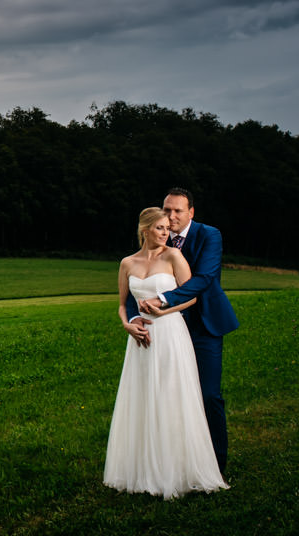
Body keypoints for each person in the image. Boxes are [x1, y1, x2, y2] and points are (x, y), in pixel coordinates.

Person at [104, 207, 228, 499]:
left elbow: (191, 298)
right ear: (145, 230)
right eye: (160, 228)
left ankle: (178, 469)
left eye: (167, 228)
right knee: (144, 398)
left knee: (172, 397)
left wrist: (162, 309)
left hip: (171, 334)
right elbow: (124, 304)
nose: (166, 233)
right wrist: (128, 324)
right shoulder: (126, 263)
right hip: (140, 339)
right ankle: (143, 469)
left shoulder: (174, 256)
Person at [133, 187, 239, 475]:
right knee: (168, 395)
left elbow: (204, 278)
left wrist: (165, 300)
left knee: (207, 394)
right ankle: (174, 461)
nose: (172, 216)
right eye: (167, 210)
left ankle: (216, 464)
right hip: (166, 329)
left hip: (204, 325)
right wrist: (135, 316)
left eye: (178, 211)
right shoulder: (157, 236)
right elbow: (140, 279)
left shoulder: (209, 235)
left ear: (191, 212)